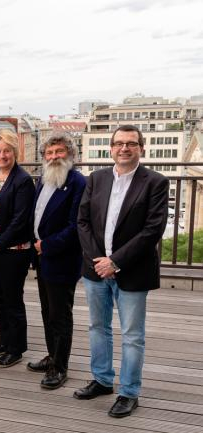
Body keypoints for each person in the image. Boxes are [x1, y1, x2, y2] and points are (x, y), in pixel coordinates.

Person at [75, 124, 168, 418]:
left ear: (141, 148)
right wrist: (98, 260)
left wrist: (115, 261)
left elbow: (153, 229)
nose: (124, 148)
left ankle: (129, 391)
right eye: (119, 143)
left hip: (133, 270)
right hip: (95, 270)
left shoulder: (155, 182)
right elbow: (83, 222)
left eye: (131, 143)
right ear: (111, 148)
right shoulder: (97, 178)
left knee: (132, 335)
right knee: (97, 327)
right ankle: (102, 380)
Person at [26, 133, 86, 390]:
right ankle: (52, 355)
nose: (53, 157)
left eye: (59, 152)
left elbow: (75, 226)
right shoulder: (44, 179)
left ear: (70, 154)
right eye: (49, 154)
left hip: (62, 259)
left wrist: (46, 245)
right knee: (47, 311)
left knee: (61, 315)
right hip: (43, 258)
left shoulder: (77, 182)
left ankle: (60, 367)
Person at [0, 130, 35, 368]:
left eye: (7, 151)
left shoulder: (22, 180)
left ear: (15, 152)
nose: (2, 155)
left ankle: (16, 348)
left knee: (13, 300)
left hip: (13, 250)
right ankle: (5, 341)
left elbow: (20, 220)